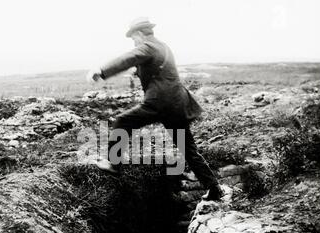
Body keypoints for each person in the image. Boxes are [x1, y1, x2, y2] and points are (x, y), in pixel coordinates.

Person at [87, 17, 225, 201]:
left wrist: (101, 71)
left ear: (139, 34)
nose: (134, 42)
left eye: (133, 38)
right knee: (189, 149)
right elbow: (155, 69)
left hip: (160, 102)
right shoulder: (163, 47)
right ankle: (214, 187)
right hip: (176, 104)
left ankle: (113, 163)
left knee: (123, 121)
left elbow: (128, 58)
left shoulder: (148, 46)